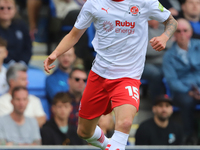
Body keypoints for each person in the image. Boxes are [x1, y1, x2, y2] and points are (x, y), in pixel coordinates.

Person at [44, 0, 177, 149]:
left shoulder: (144, 1)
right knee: (84, 131)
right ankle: (109, 146)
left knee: (125, 123)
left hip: (128, 77)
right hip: (99, 75)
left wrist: (164, 37)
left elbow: (172, 21)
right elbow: (74, 34)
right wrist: (56, 53)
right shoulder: (94, 3)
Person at [163, 18, 200, 141]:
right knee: (187, 101)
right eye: (178, 31)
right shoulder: (168, 56)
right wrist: (189, 91)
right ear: (174, 34)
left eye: (185, 30)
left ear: (190, 32)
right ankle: (188, 136)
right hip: (183, 91)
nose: (182, 34)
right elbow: (172, 81)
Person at [0, 63, 46, 127]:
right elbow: (5, 125)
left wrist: (20, 124)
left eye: (26, 79)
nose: (27, 82)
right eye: (23, 79)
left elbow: (42, 120)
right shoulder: (1, 102)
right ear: (12, 82)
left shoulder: (35, 100)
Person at [0, 0, 32, 65]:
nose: (5, 11)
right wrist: (11, 63)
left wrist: (22, 63)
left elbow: (28, 47)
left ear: (15, 9)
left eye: (9, 8)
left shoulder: (21, 25)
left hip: (22, 65)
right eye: (1, 8)